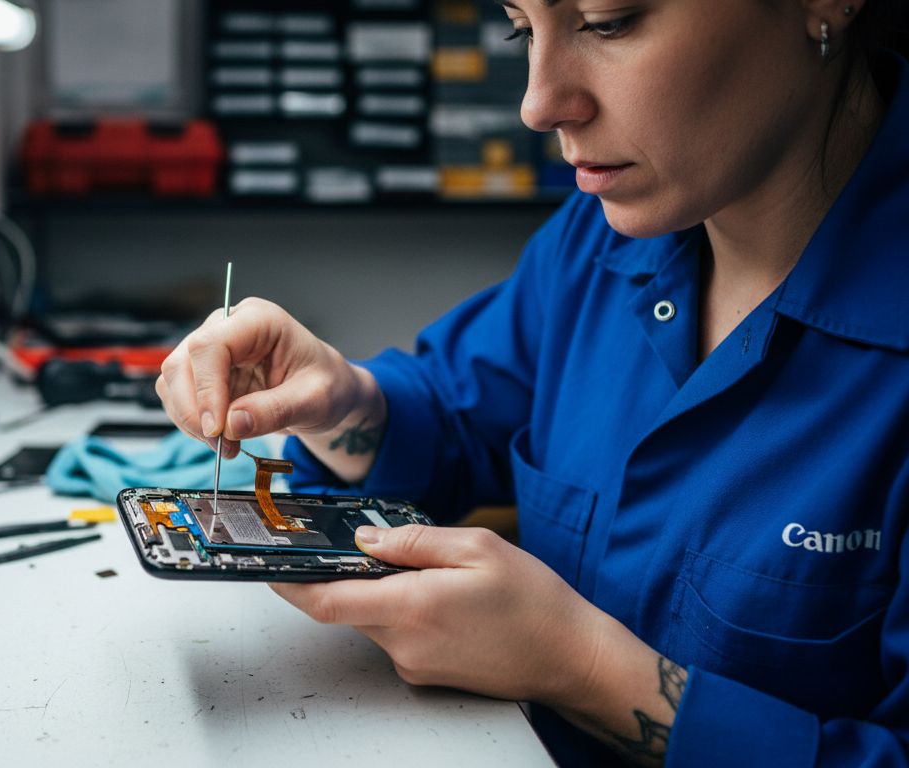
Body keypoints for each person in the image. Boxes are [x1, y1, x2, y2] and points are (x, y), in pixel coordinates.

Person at [155, 1, 909, 765]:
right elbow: (454, 418)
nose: (539, 103)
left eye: (607, 21)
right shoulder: (600, 235)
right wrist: (341, 404)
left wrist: (578, 667)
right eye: (522, 28)